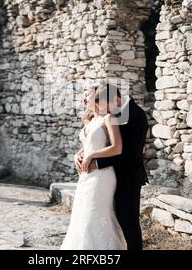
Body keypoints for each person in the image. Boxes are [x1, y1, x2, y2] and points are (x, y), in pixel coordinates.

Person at [75, 83, 149, 250]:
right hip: (107, 176)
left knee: (128, 222)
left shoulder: (136, 115)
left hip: (127, 177)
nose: (105, 111)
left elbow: (129, 154)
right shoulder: (112, 113)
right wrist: (82, 154)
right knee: (110, 220)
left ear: (115, 99)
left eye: (105, 106)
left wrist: (97, 162)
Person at [60, 87, 127, 250]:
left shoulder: (108, 118)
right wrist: (78, 154)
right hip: (85, 176)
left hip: (102, 176)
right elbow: (88, 145)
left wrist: (91, 156)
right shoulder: (90, 121)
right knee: (81, 215)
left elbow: (117, 148)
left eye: (87, 95)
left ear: (97, 97)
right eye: (82, 96)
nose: (84, 99)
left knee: (94, 215)